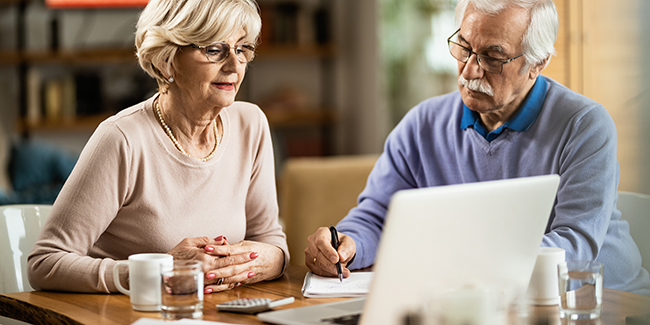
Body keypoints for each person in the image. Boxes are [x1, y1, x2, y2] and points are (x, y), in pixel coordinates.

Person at [305, 0, 650, 296]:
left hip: (603, 300)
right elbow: (379, 215)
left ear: (538, 63)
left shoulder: (584, 125)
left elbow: (574, 249)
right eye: (464, 47)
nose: (469, 69)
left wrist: (463, 262)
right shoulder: (421, 124)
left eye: (492, 57)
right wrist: (347, 244)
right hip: (485, 301)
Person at [28, 0, 289, 294]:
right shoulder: (121, 139)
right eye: (214, 49)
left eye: (242, 49)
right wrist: (157, 270)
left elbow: (268, 238)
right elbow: (45, 264)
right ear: (166, 60)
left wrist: (270, 260)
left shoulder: (250, 124)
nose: (234, 66)